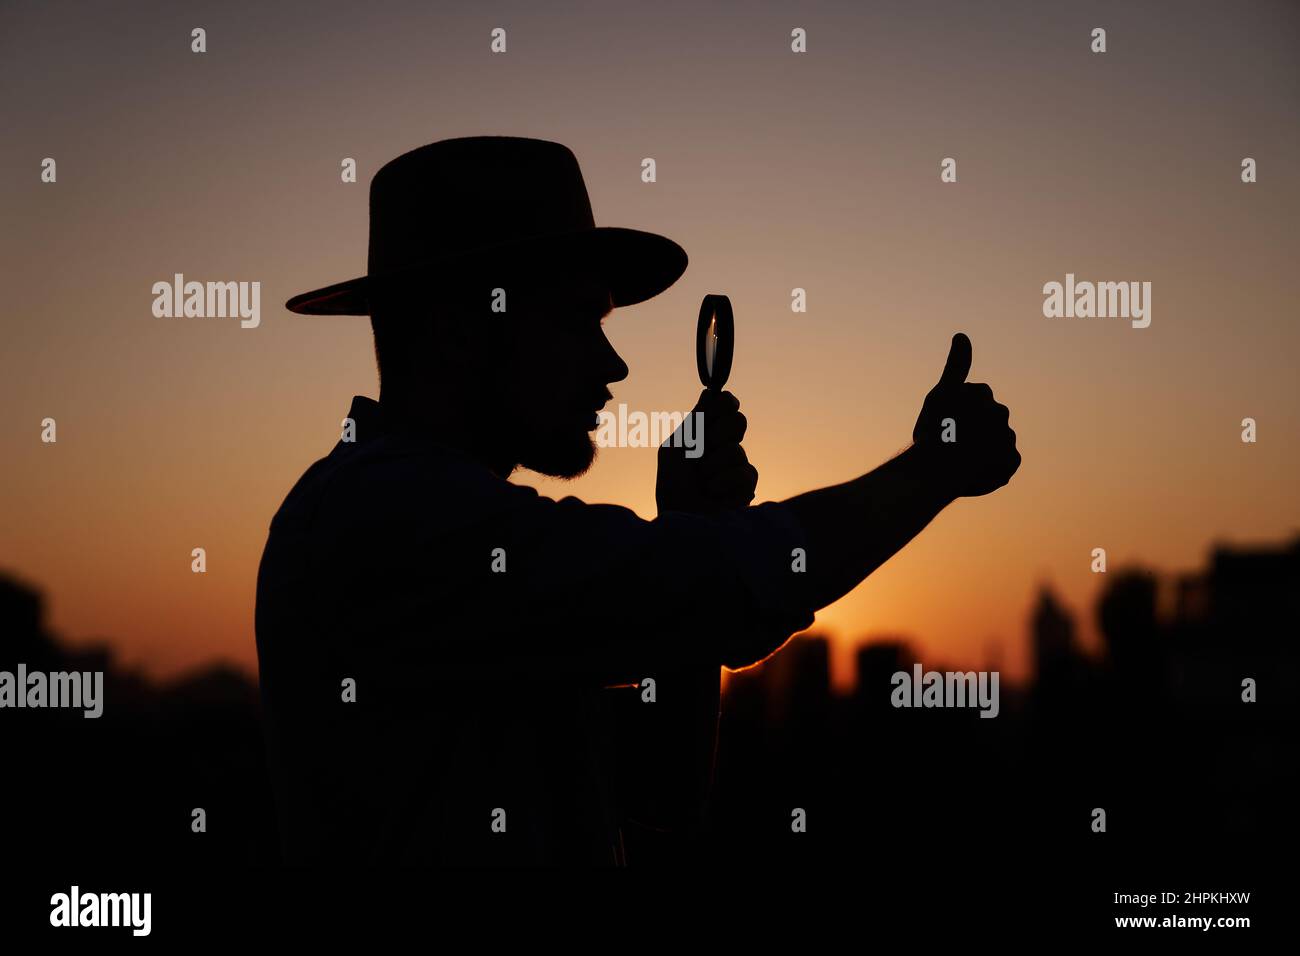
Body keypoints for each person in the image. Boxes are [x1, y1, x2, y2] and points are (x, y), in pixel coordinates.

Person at [255, 136, 1020, 866]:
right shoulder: (383, 516)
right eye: (578, 319)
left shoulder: (451, 533)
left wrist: (688, 529)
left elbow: (660, 788)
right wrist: (932, 472)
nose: (612, 363)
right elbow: (722, 586)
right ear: (458, 327)